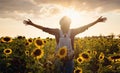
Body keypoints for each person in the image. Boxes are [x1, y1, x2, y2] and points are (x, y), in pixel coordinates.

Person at [23, 16, 107, 73]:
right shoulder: (57, 32)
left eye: (67, 23)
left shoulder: (73, 32)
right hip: (58, 59)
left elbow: (85, 27)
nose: (66, 25)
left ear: (70, 24)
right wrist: (32, 24)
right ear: (60, 24)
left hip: (69, 59)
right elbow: (44, 28)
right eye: (64, 23)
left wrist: (96, 21)